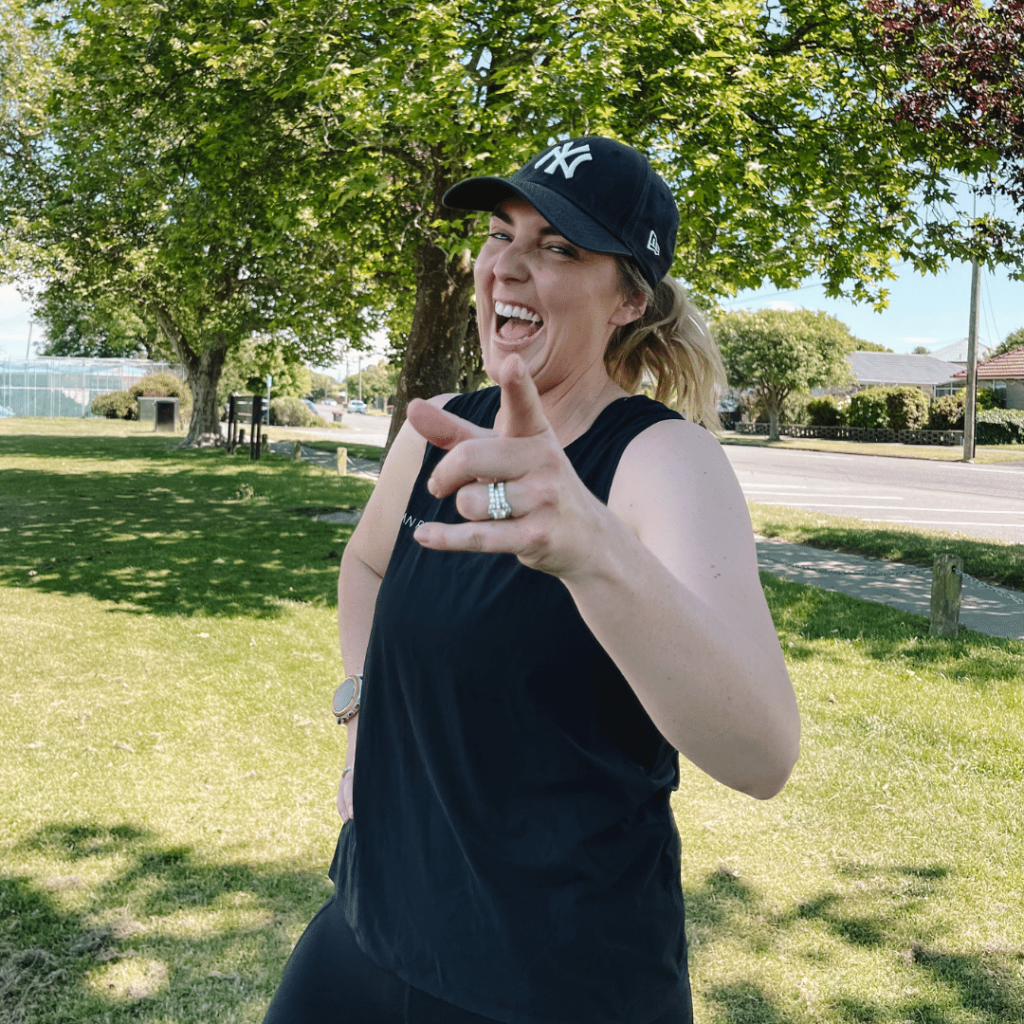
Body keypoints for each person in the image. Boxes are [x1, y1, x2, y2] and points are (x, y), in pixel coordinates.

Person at [262, 136, 799, 1024]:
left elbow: (763, 754)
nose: (509, 265)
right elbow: (365, 563)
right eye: (502, 234)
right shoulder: (444, 427)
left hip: (555, 980)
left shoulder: (664, 459)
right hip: (366, 929)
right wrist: (358, 709)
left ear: (630, 298)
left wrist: (592, 547)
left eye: (559, 247)